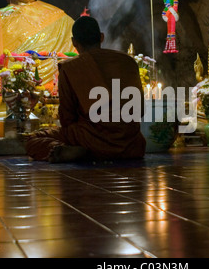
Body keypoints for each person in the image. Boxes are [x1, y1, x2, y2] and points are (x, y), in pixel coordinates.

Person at [25, 16, 146, 163]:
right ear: (101, 37)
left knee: (32, 139)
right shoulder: (128, 61)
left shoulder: (71, 67)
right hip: (131, 144)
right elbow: (140, 109)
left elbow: (67, 118)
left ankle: (60, 150)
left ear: (74, 42)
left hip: (92, 141)